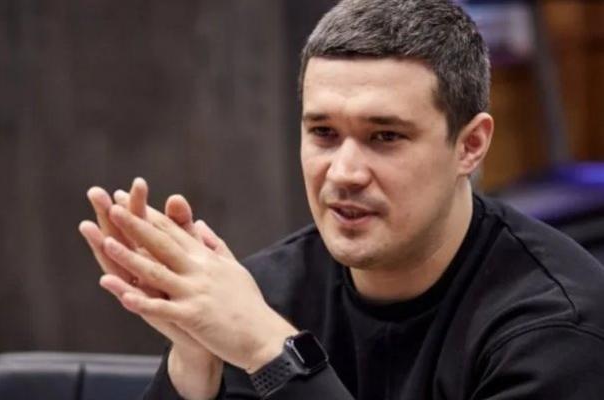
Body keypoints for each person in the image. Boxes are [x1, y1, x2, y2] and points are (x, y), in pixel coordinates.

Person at [79, 0, 604, 399]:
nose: (345, 172)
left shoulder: (556, 327)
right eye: (324, 133)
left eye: (385, 137)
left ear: (470, 146)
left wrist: (276, 354)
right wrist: (194, 366)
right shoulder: (264, 293)